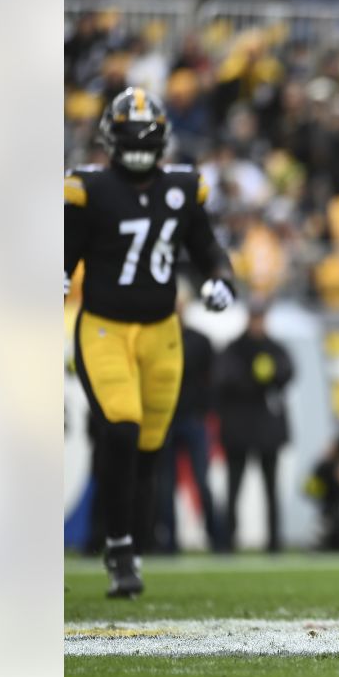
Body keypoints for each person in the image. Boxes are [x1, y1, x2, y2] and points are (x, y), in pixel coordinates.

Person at [65, 87, 236, 598]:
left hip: (163, 332)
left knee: (148, 449)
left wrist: (222, 280)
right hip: (104, 328)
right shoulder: (88, 188)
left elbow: (208, 249)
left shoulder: (184, 187)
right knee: (119, 427)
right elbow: (65, 250)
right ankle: (118, 547)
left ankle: (132, 545)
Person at [215, 300, 294, 552]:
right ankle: (228, 540)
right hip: (239, 428)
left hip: (266, 429)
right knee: (234, 487)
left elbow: (288, 372)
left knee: (270, 488)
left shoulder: (274, 347)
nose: (258, 323)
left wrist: (268, 375)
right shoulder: (235, 348)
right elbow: (225, 380)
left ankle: (274, 542)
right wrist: (256, 378)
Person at [154, 297, 222, 553]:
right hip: (165, 418)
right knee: (164, 486)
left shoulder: (199, 340)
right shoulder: (156, 339)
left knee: (202, 482)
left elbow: (212, 379)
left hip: (192, 418)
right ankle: (168, 542)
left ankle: (218, 539)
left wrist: (205, 411)